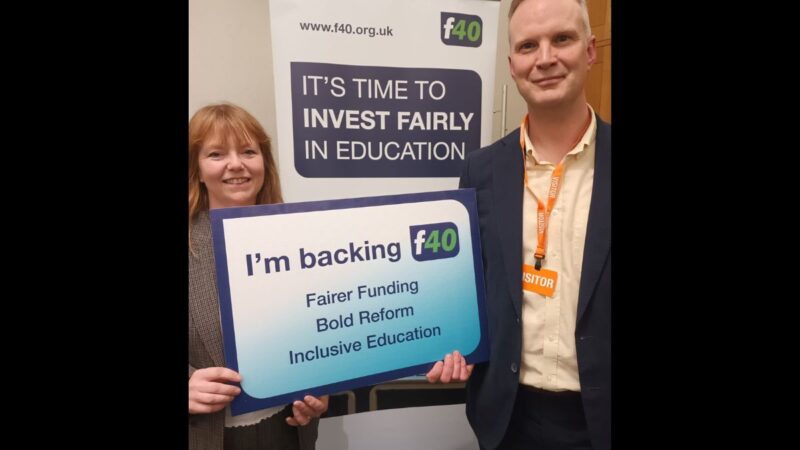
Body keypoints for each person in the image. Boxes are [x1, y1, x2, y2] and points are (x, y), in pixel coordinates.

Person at [426, 0, 610, 449]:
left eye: (561, 39)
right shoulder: (480, 170)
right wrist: (447, 342)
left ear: (589, 51)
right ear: (512, 65)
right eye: (528, 45)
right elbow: (467, 287)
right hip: (507, 420)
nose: (545, 58)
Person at [188, 103, 329, 450]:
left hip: (288, 430)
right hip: (207, 435)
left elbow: (323, 325)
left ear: (263, 162)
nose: (236, 164)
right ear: (197, 169)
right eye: (217, 154)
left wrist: (322, 390)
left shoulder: (301, 238)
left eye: (248, 151)